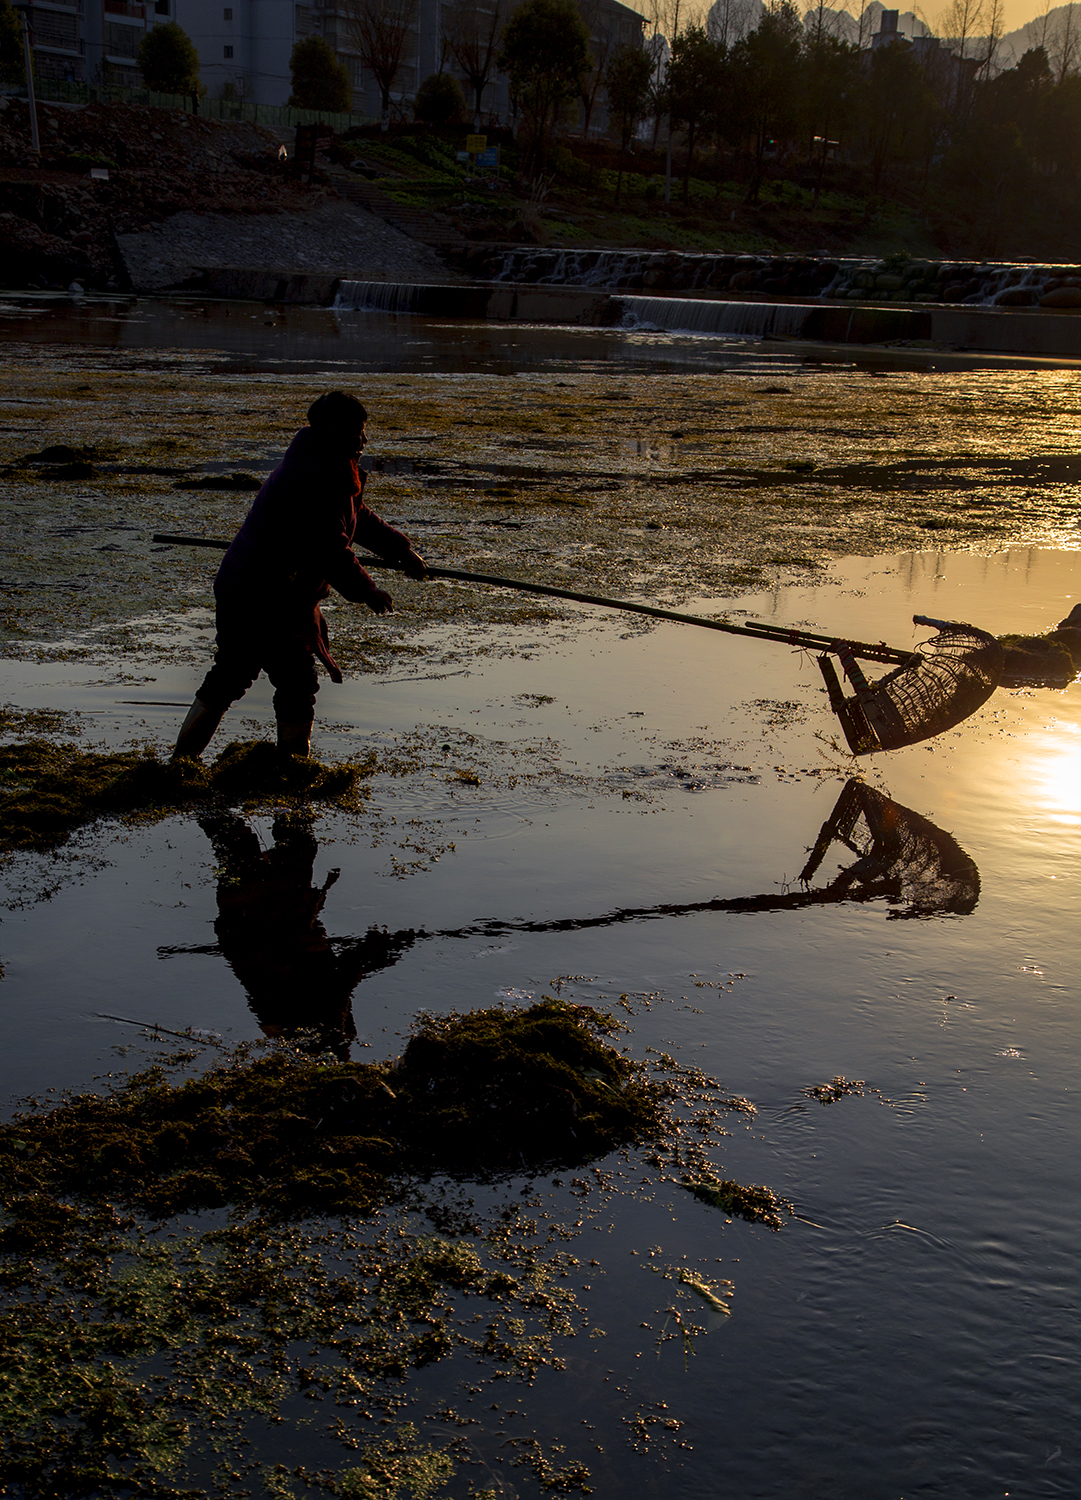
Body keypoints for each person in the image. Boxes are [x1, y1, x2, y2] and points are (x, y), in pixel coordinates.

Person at [173, 391, 427, 760]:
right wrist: (367, 590)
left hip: (285, 595)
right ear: (331, 430)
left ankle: (288, 767)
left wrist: (402, 551)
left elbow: (358, 518)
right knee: (235, 675)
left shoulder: (333, 467)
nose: (364, 440)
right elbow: (328, 547)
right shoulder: (313, 477)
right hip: (256, 593)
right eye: (358, 430)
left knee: (292, 682)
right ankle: (185, 763)